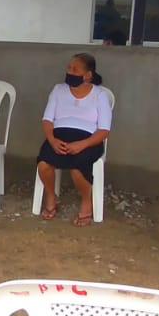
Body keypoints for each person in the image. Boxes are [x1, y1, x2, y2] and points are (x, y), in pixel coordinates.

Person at [35, 53, 112, 227]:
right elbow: (47, 120)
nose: (70, 72)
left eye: (75, 70)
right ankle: (51, 196)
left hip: (88, 141)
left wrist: (82, 144)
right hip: (59, 138)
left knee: (78, 169)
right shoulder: (58, 90)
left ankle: (86, 201)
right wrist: (52, 140)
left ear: (88, 75)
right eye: (69, 68)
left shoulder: (100, 95)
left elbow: (104, 130)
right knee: (43, 164)